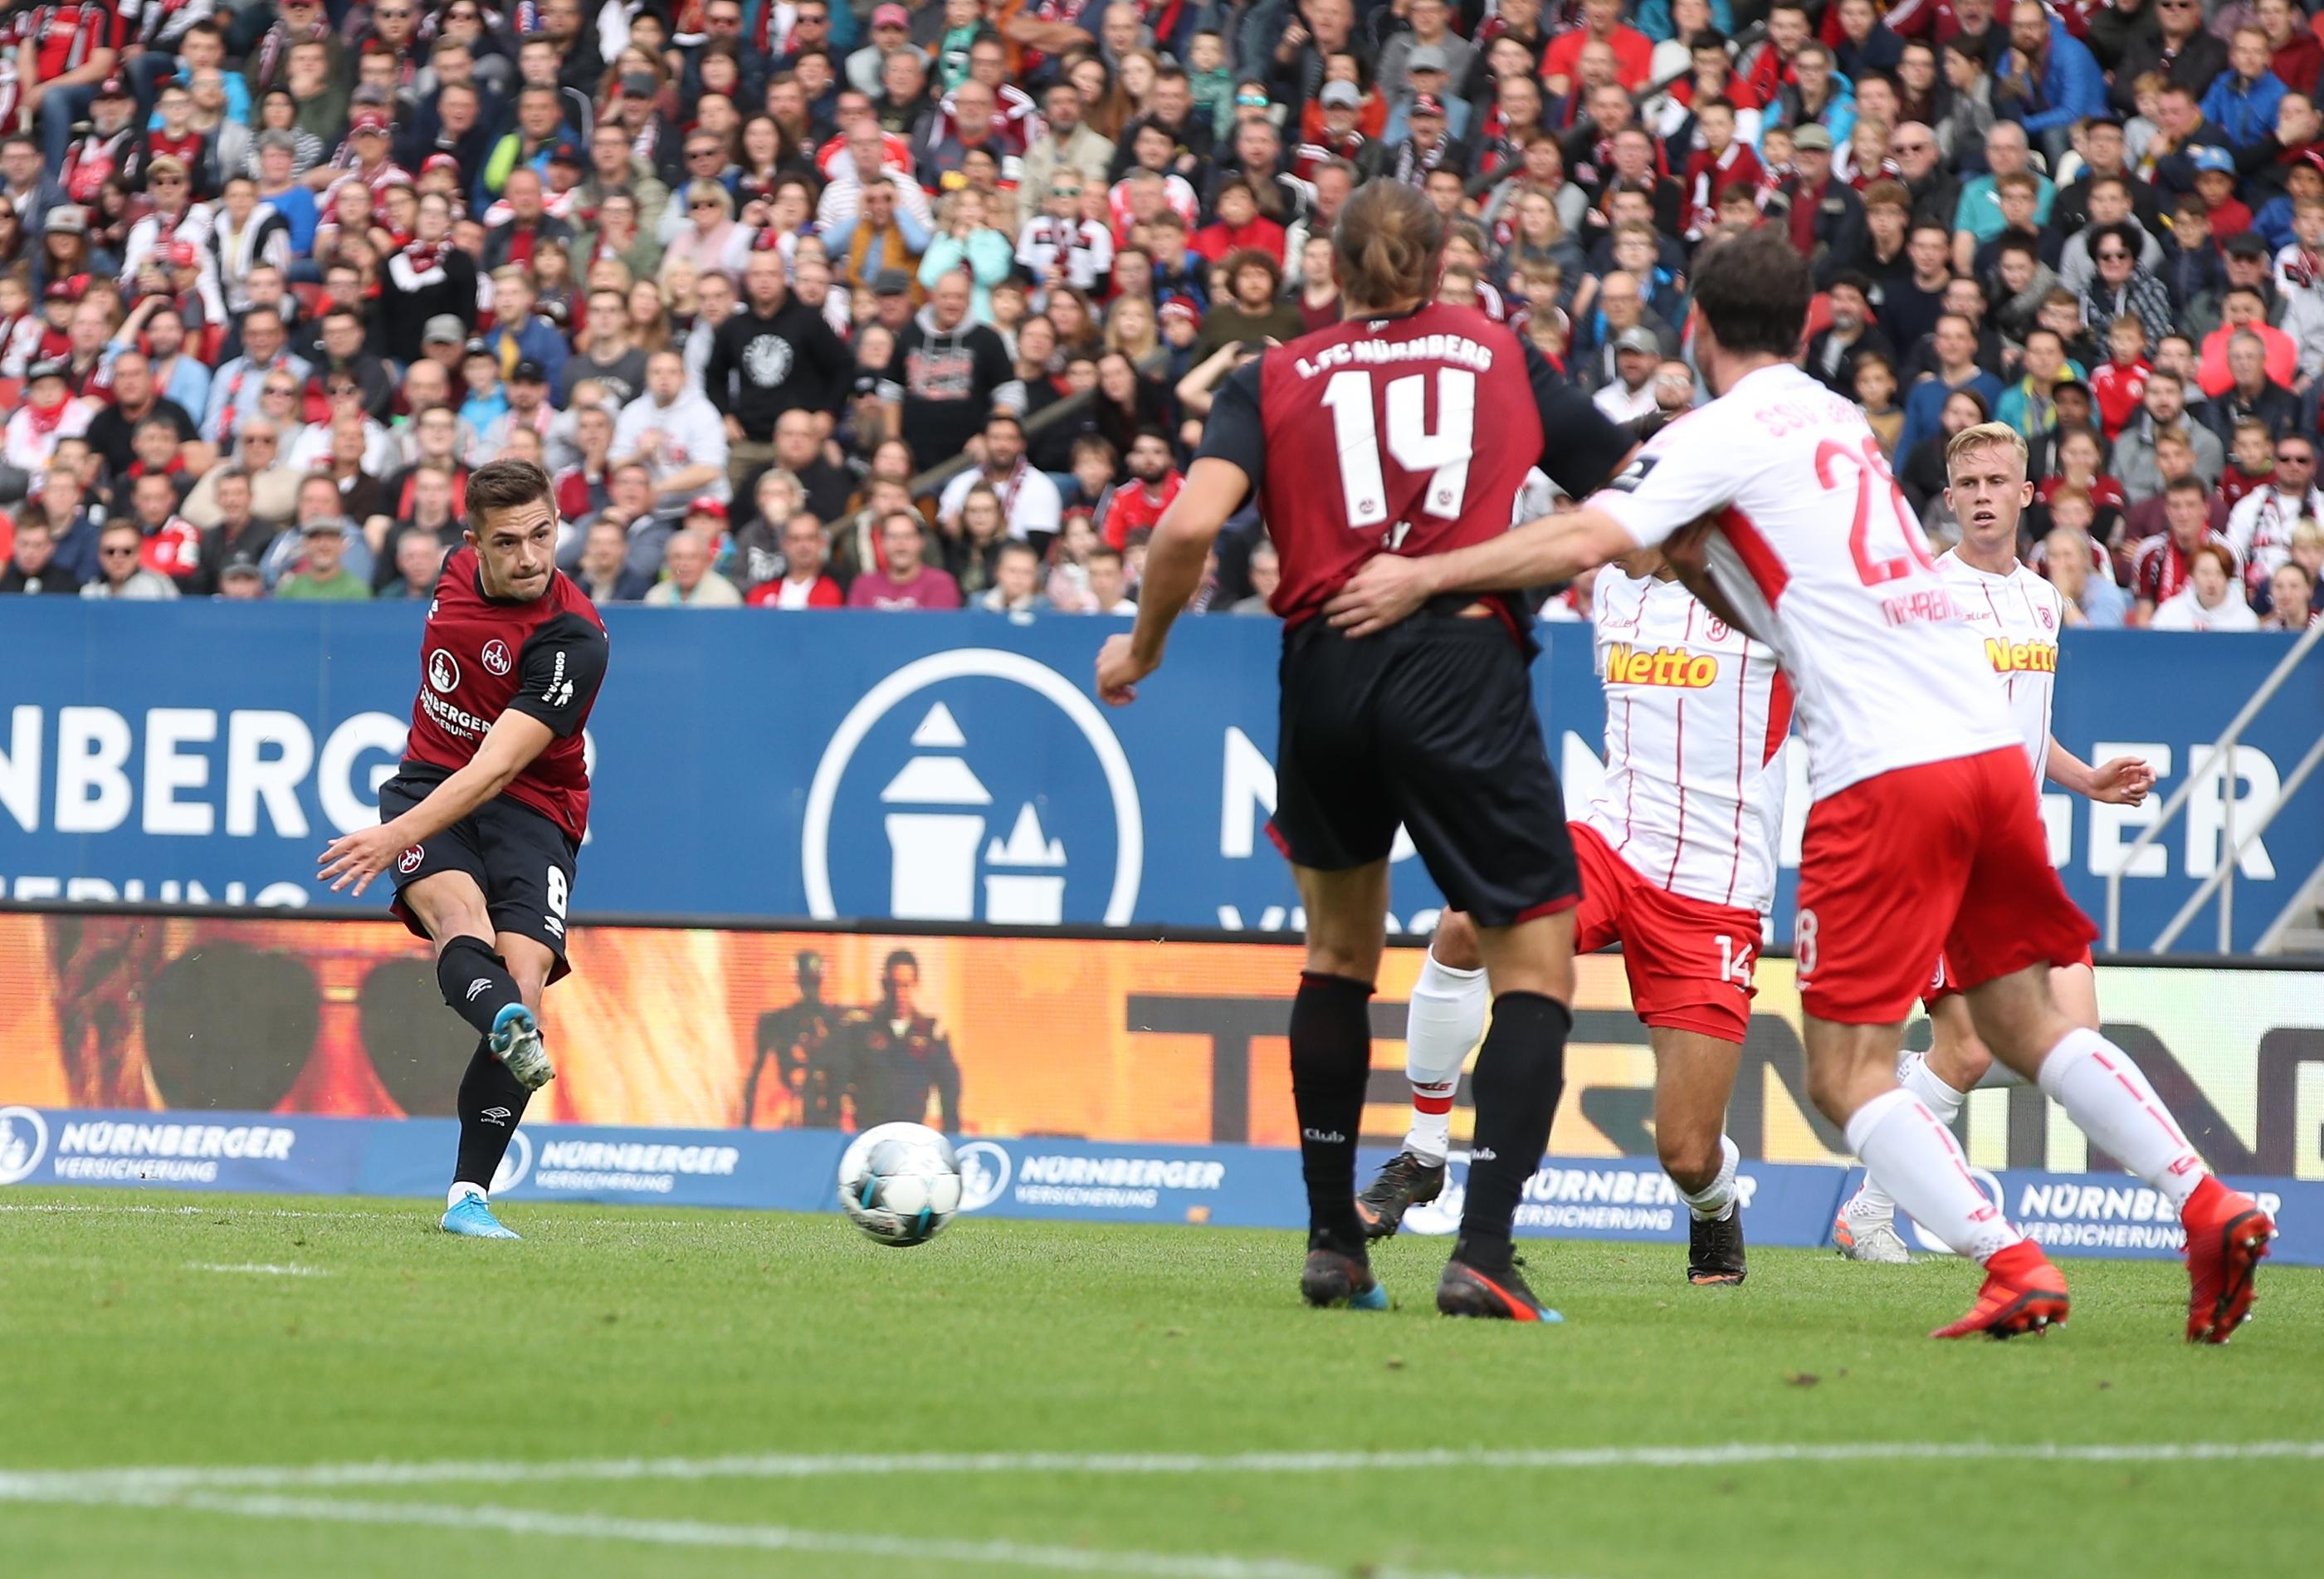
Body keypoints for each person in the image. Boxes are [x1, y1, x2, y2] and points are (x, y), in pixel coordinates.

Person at [1324, 227, 2274, 1342]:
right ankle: (2208, 1202)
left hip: (1881, 769)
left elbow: (1591, 527)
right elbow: (1761, 583)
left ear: (1698, 327)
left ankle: (2010, 1258)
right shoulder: (1833, 420)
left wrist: (1418, 575)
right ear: (1811, 323)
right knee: (2022, 1020)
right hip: (1980, 745)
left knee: (1848, 1071)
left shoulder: (1719, 435)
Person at [1096, 179, 1633, 1321]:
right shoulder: (1499, 354)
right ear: (1440, 262)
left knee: (1337, 954)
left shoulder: (1272, 373)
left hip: (1324, 660)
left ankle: (1335, 1238)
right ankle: (1484, 1247)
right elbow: (1624, 485)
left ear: (1327, 271)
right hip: (1458, 657)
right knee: (1534, 963)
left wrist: (1142, 648)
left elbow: (1190, 526)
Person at [1359, 551, 1789, 1287]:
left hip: (1716, 882)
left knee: (1687, 1151)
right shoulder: (1615, 582)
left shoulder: (1770, 593)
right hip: (1611, 839)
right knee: (1468, 923)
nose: (1610, 536)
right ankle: (1424, 1153)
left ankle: (1715, 1204)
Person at [1833, 423, 2158, 1261]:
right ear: (1949, 499)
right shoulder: (1922, 597)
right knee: (1975, 1047)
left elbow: (2022, 725)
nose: (1980, 495)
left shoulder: (2041, 599)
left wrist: (2084, 780)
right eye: (1966, 482)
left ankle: (1887, 1155)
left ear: (2025, 495)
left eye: (1995, 481)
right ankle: (1875, 1202)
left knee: (2071, 1036)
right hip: (1943, 856)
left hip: (2017, 856)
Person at [317, 459, 611, 1242]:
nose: (530, 557)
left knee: (524, 976)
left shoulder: (573, 638)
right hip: (428, 786)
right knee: (459, 923)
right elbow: (463, 770)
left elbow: (499, 768)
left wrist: (389, 839)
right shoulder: (452, 575)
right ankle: (506, 1024)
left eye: (543, 535)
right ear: (471, 543)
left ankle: (467, 1199)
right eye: (508, 541)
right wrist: (406, 824)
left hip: (533, 808)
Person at [2151, 541, 2264, 628]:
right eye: (2205, 573)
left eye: (2219, 574)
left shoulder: (2245, 619)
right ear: (2192, 575)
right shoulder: (2169, 613)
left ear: (2228, 578)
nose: (2211, 580)